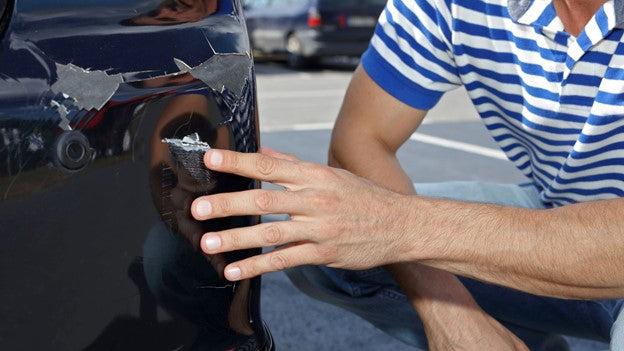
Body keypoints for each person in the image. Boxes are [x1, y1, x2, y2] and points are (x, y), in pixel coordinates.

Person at [189, 0, 624, 349]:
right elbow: (361, 139)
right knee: (316, 238)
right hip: (561, 209)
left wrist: (396, 225)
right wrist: (453, 314)